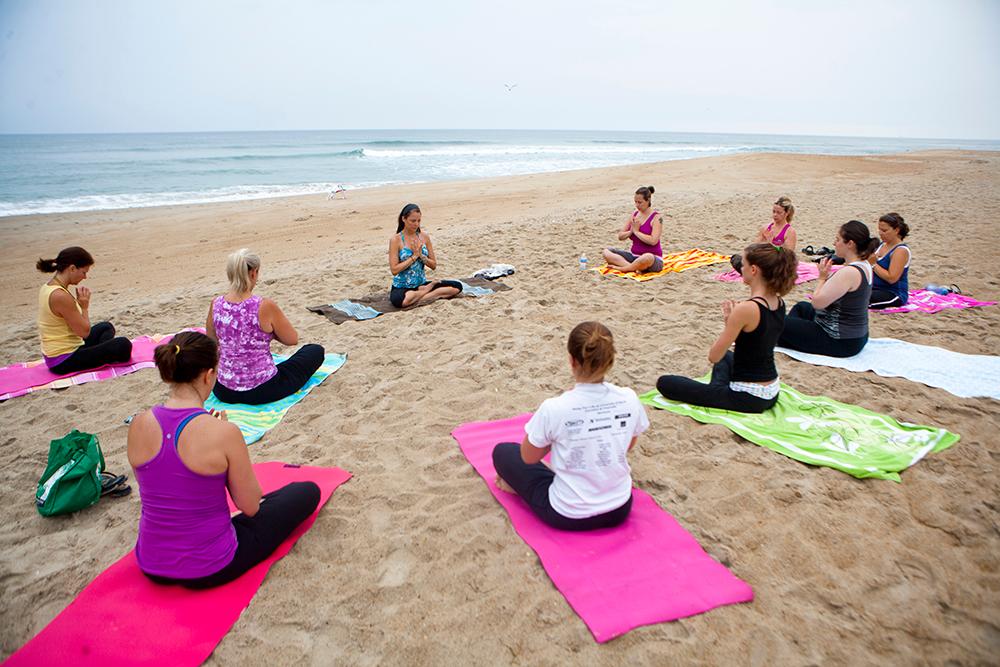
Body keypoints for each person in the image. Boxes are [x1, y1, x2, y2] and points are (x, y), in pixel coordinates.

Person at [128, 331, 320, 589]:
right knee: (306, 492)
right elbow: (250, 506)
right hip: (210, 566)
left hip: (151, 563)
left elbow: (168, 477)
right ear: (208, 375)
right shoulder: (224, 433)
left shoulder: (139, 423)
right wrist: (224, 438)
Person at [492, 322, 648, 531]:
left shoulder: (555, 408)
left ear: (572, 360)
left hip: (568, 514)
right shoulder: (628, 398)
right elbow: (628, 445)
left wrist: (560, 439)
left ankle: (521, 487)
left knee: (503, 452)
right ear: (610, 361)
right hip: (619, 508)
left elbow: (529, 457)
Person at [658, 243, 798, 412]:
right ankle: (717, 389)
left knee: (665, 383)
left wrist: (731, 324)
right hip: (771, 390)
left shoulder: (746, 309)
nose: (741, 268)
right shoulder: (779, 302)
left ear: (753, 270)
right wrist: (731, 323)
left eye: (744, 264)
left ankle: (717, 390)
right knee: (727, 358)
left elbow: (714, 356)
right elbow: (756, 343)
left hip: (748, 397)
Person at [206, 249, 324, 405]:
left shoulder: (216, 304)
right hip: (262, 389)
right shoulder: (264, 306)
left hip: (224, 390)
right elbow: (291, 339)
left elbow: (211, 342)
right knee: (315, 350)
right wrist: (270, 334)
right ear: (254, 273)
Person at [777, 220, 878, 357]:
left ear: (850, 244)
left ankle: (783, 338)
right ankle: (786, 338)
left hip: (839, 340)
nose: (834, 244)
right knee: (802, 307)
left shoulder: (849, 272)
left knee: (776, 320)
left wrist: (822, 278)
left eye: (838, 240)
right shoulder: (865, 264)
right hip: (857, 336)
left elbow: (817, 303)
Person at [36, 246, 132, 374]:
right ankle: (104, 353)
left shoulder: (48, 287)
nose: (85, 277)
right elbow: (84, 333)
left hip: (66, 349)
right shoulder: (60, 296)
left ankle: (101, 352)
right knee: (123, 345)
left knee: (106, 327)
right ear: (72, 268)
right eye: (84, 272)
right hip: (63, 360)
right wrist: (84, 307)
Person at [389, 203, 463, 308]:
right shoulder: (395, 240)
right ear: (403, 219)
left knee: (456, 287)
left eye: (419, 221)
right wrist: (414, 256)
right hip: (402, 287)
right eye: (413, 221)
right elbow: (394, 270)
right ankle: (428, 290)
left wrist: (422, 257)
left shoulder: (424, 237)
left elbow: (433, 265)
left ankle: (423, 294)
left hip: (421, 284)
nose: (416, 224)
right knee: (402, 301)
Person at [602, 186, 664, 273]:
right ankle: (632, 267)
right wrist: (631, 231)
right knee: (606, 252)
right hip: (634, 257)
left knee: (647, 257)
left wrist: (636, 232)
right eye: (635, 202)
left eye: (640, 202)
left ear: (648, 200)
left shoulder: (657, 217)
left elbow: (653, 241)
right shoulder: (634, 214)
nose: (637, 205)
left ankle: (625, 268)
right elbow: (620, 236)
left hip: (652, 259)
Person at [731, 196, 797, 271]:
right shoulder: (766, 228)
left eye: (779, 212)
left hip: (778, 263)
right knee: (736, 258)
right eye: (774, 211)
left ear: (786, 213)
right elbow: (755, 247)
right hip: (763, 259)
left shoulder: (790, 231)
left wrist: (771, 243)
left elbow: (788, 256)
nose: (775, 215)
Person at [868, 212, 911, 309]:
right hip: (874, 288)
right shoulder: (882, 245)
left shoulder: (900, 251)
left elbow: (892, 278)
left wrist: (873, 264)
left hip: (893, 293)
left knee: (859, 301)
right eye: (879, 230)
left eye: (884, 230)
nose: (880, 233)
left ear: (896, 230)